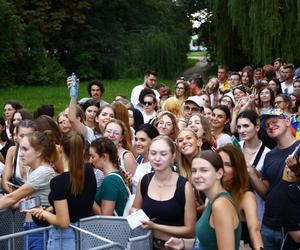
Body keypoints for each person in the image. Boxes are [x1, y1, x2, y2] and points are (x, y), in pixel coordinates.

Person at [26, 131, 96, 250]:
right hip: (85, 236)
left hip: (64, 239)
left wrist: (44, 213)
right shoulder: (89, 171)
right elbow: (74, 202)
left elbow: (63, 222)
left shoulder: (59, 182)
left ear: (61, 148)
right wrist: (49, 210)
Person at [165, 151, 241, 250]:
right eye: (194, 170)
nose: (197, 175)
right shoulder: (211, 200)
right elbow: (207, 243)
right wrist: (182, 243)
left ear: (219, 173)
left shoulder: (220, 205)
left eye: (204, 170)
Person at [131, 135, 196, 249]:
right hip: (146, 244)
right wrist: (135, 213)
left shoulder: (184, 186)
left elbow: (190, 230)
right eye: (153, 153)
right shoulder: (145, 181)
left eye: (163, 154)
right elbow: (134, 209)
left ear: (173, 156)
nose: (157, 158)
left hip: (173, 246)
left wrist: (155, 226)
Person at [248, 108, 300, 250]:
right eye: (267, 124)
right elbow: (266, 192)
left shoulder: (299, 149)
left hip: (292, 227)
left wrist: (298, 171)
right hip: (268, 224)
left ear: (288, 121)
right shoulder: (269, 155)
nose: (270, 126)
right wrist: (252, 175)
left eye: (275, 121)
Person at [0, 131, 57, 249]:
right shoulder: (33, 170)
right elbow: (26, 199)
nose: (20, 154)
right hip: (33, 225)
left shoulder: (43, 172)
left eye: (25, 149)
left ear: (39, 151)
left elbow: (12, 197)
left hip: (41, 229)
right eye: (21, 149)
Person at [217, 144, 264, 249]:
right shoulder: (213, 194)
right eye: (219, 163)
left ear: (237, 169)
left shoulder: (246, 197)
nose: (222, 169)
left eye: (228, 164)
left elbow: (254, 229)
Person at [236, 110, 270, 223]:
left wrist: (253, 174)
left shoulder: (268, 154)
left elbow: (267, 194)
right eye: (239, 127)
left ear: (257, 127)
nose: (242, 130)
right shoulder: (234, 148)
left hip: (257, 212)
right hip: (235, 211)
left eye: (246, 126)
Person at [90, 137, 128, 216]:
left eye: (93, 156)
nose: (91, 160)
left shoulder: (110, 181)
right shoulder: (117, 174)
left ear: (104, 157)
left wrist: (88, 197)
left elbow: (105, 217)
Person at [1, 120, 37, 193]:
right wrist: (16, 196)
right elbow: (5, 182)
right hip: (17, 196)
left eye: (30, 136)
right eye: (22, 136)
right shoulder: (12, 151)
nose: (26, 139)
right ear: (16, 136)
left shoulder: (41, 153)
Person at [131, 124, 159, 193]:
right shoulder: (139, 159)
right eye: (136, 139)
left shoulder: (157, 164)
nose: (137, 143)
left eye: (142, 140)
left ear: (153, 141)